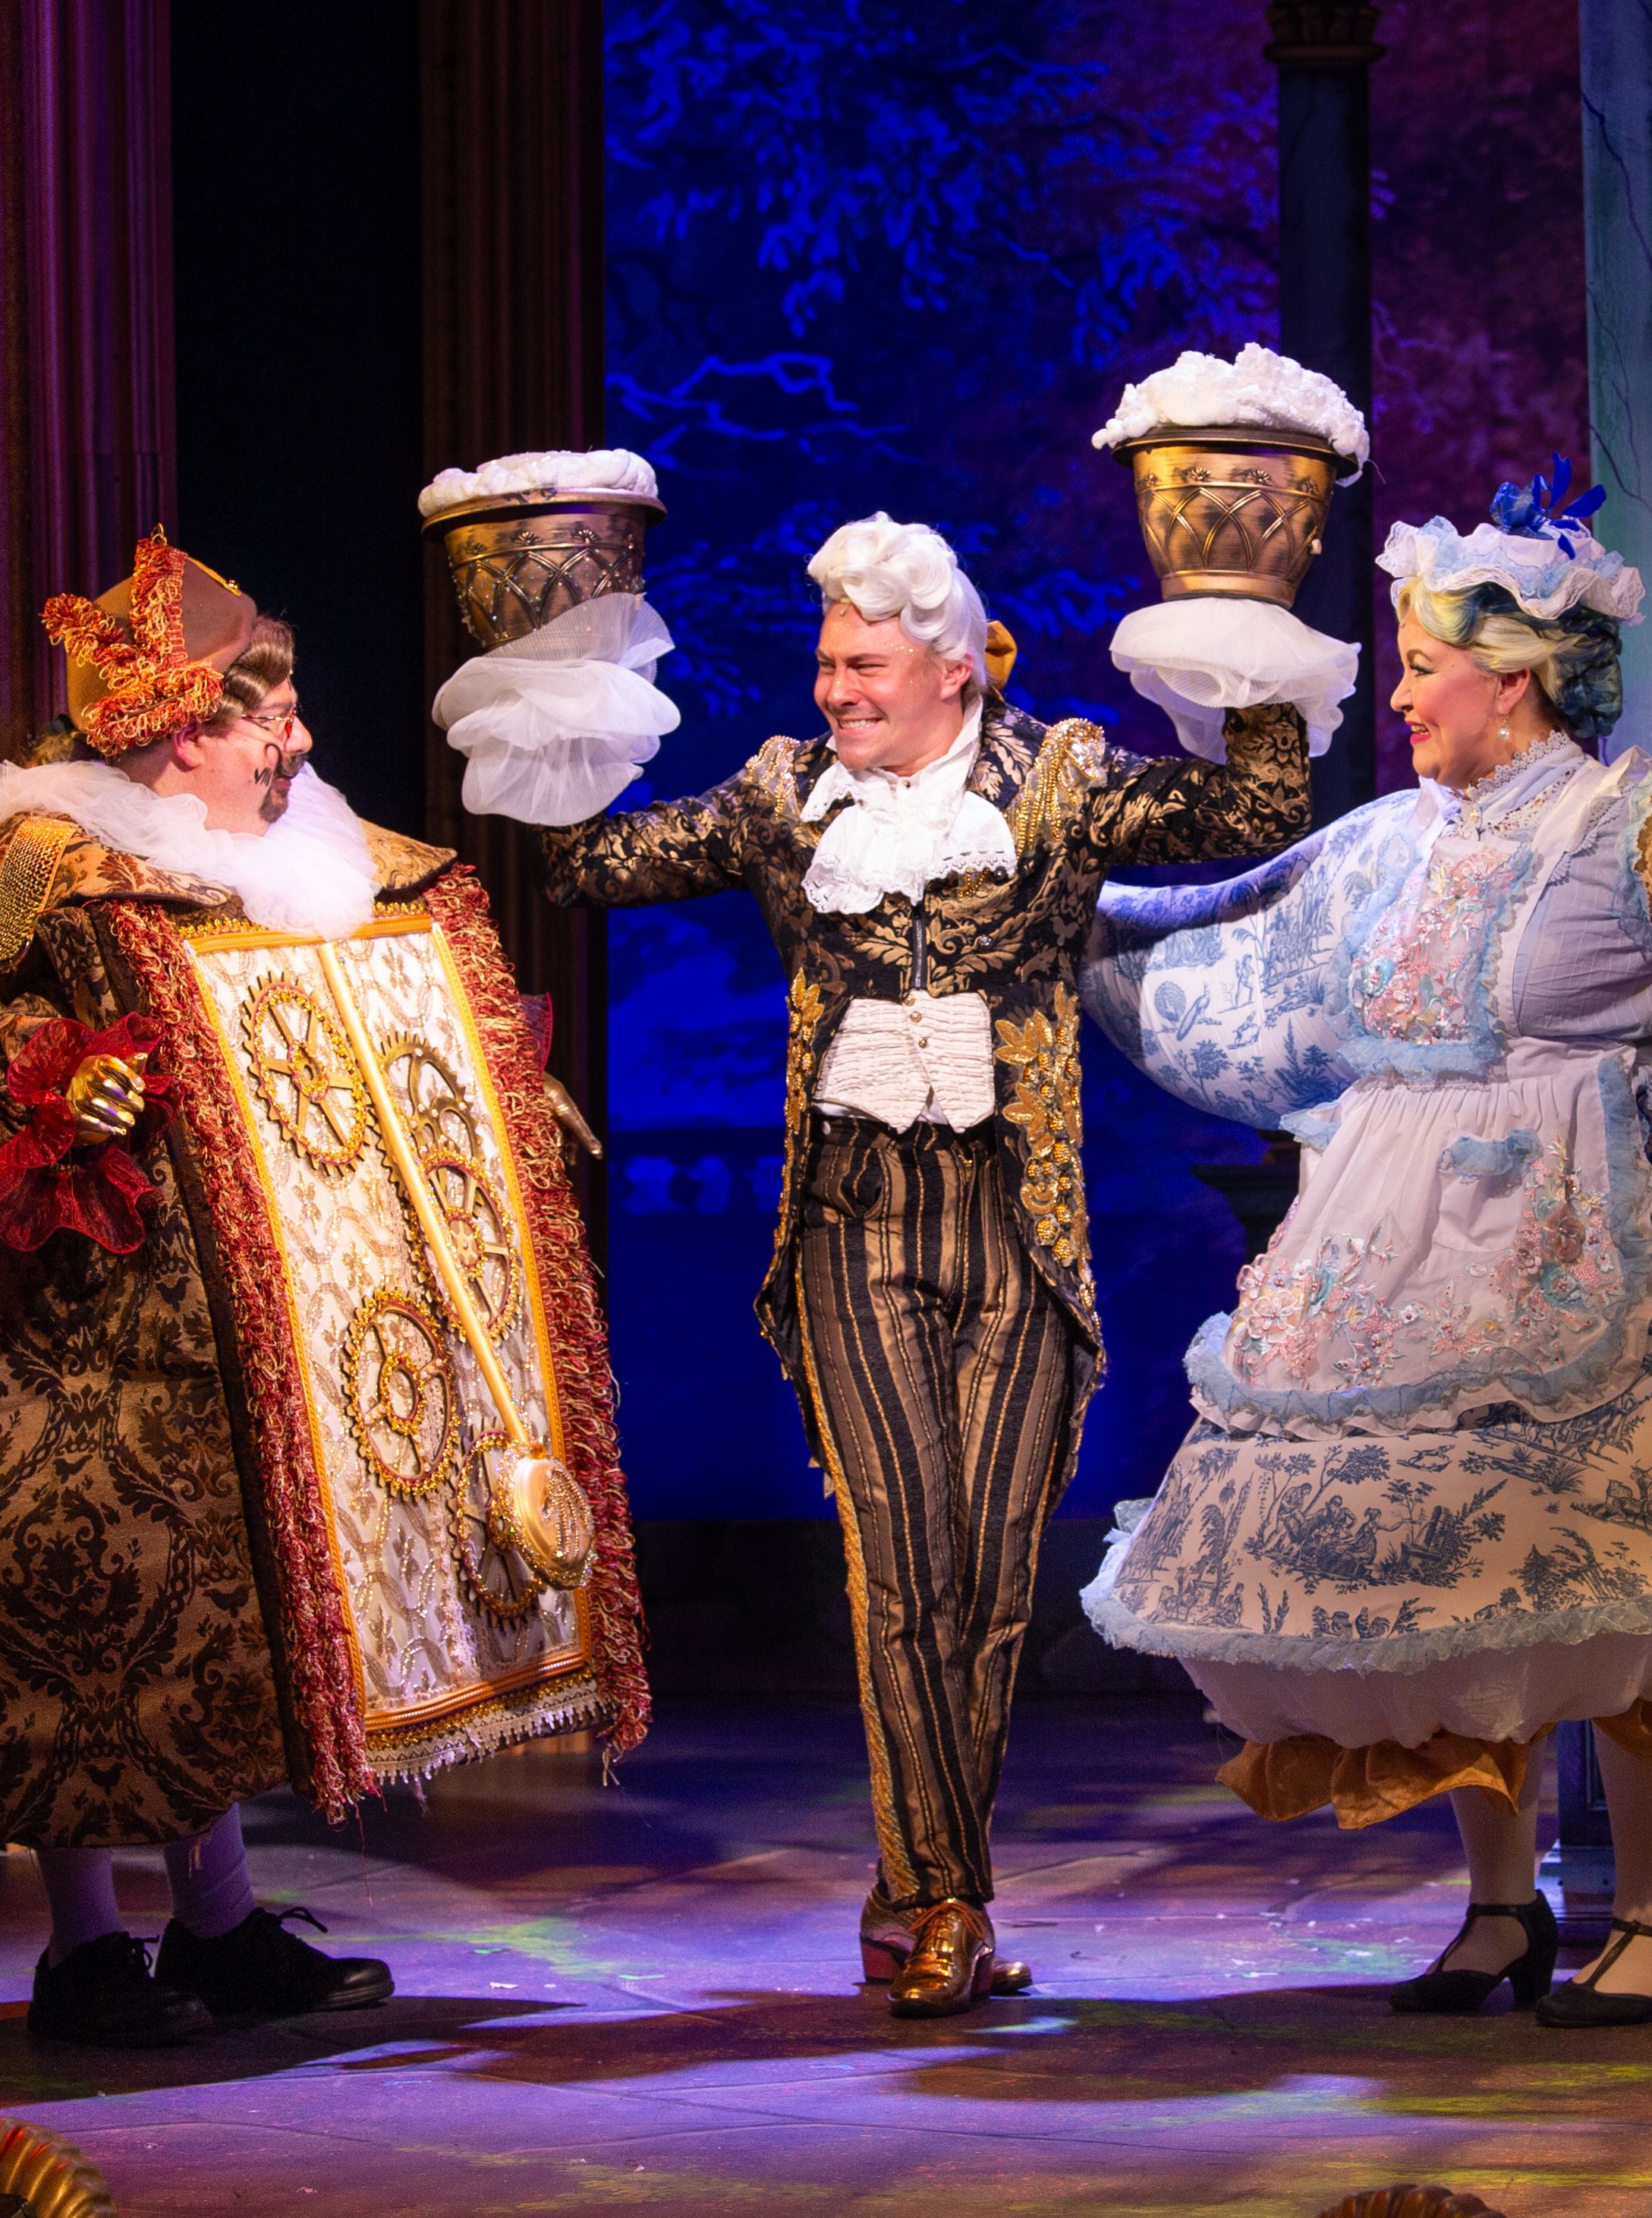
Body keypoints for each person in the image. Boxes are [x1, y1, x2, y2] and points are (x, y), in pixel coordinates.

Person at [1075, 471, 1652, 2027]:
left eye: (1421, 666)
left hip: (1594, 1218)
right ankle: (1498, 1909)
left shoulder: (1634, 820)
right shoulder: (1392, 838)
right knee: (1468, 1574)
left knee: (1630, 1572)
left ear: (1509, 678)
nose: (1401, 695)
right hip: (1393, 1237)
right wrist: (1054, 899)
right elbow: (1238, 933)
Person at [0, 531, 644, 2046]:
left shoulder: (323, 864)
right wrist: (48, 1093)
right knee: (90, 1645)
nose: (299, 735)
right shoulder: (32, 871)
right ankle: (84, 1948)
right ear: (180, 729)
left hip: (250, 1362)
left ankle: (222, 1929)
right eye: (268, 712)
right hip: (68, 1347)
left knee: (216, 1659)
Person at [483, 514, 1315, 2016]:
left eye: (861, 664)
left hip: (1012, 1234)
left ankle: (918, 1890)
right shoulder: (781, 797)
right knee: (899, 1567)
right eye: (823, 663)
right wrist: (551, 670)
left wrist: (1237, 608)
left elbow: (1253, 801)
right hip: (854, 1230)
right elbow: (586, 865)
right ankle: (943, 1902)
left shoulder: (1059, 783)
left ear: (950, 668)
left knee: (987, 1586)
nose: (833, 691)